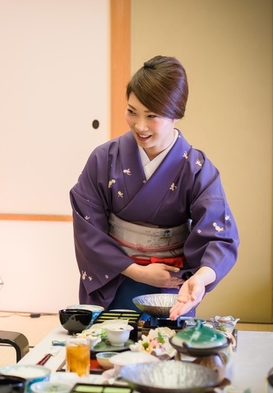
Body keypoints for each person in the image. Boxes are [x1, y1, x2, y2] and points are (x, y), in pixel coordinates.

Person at [69, 55, 239, 320]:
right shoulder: (104, 159)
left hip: (171, 287)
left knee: (169, 353)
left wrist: (200, 280)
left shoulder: (197, 168)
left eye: (152, 115)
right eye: (132, 111)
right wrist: (137, 271)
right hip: (116, 279)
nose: (140, 125)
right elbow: (87, 225)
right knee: (112, 354)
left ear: (176, 115)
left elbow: (219, 235)